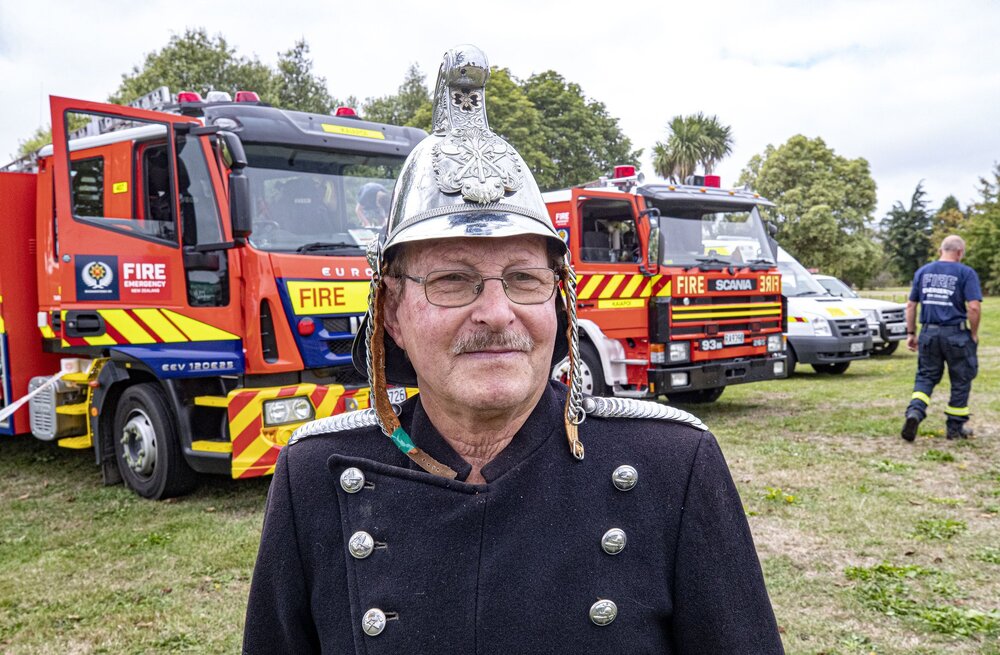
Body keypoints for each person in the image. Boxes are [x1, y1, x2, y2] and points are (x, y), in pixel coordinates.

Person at [244, 45, 783, 654]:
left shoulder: (672, 466)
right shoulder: (314, 475)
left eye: (525, 279)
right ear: (392, 311)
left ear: (559, 299)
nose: (498, 314)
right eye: (452, 280)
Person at [901, 235, 982, 441]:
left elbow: (910, 305)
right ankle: (954, 428)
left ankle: (915, 412)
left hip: (929, 333)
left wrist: (911, 333)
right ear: (960, 252)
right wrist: (973, 333)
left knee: (926, 376)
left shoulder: (923, 272)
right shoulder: (966, 273)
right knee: (961, 378)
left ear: (940, 250)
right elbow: (973, 306)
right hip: (955, 333)